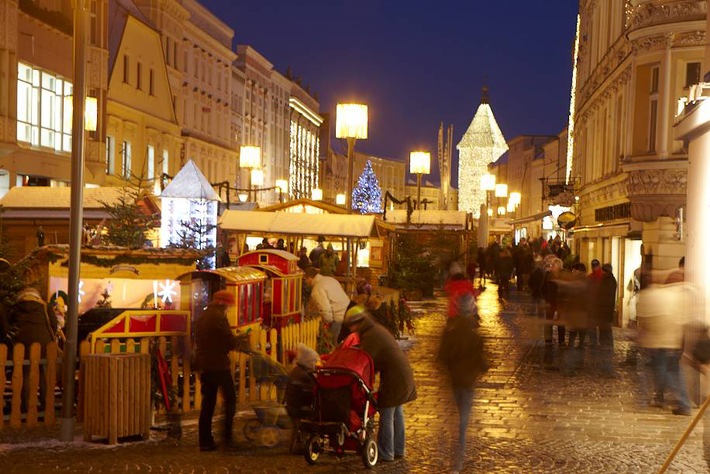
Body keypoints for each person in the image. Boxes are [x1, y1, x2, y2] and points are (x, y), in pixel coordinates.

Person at [342, 306, 416, 462]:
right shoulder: (375, 330)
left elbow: (365, 360)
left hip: (394, 379)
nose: (350, 329)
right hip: (402, 376)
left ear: (357, 323)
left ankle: (386, 452)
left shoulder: (371, 335)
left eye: (351, 326)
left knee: (387, 413)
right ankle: (398, 449)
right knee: (397, 413)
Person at [438, 281, 488, 473]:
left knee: (456, 415)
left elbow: (442, 357)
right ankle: (459, 453)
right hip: (468, 382)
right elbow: (482, 362)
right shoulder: (475, 333)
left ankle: (455, 450)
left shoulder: (449, 331)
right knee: (464, 419)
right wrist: (482, 367)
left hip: (453, 380)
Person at [193, 290, 249, 451]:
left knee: (208, 404)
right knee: (230, 399)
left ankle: (205, 441)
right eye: (229, 305)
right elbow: (226, 342)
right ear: (223, 304)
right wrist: (239, 340)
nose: (229, 308)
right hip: (218, 365)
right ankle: (227, 437)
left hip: (205, 364)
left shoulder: (204, 317)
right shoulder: (219, 318)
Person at [636, 280, 694, 415]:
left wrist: (644, 338)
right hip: (673, 343)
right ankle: (682, 403)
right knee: (675, 373)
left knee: (665, 373)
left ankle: (676, 401)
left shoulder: (653, 296)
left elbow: (648, 322)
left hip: (660, 344)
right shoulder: (676, 296)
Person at [10, 287, 57, 412]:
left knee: (24, 373)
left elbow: (11, 324)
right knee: (43, 373)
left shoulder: (17, 307)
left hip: (23, 342)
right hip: (43, 343)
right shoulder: (45, 306)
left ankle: (24, 406)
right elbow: (53, 324)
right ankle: (45, 406)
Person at [303, 267, 350, 352]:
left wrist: (326, 324)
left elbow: (325, 310)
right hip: (348, 312)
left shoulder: (317, 289)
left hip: (338, 318)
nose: (305, 283)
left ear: (309, 277)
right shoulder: (330, 279)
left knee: (333, 346)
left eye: (305, 280)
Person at [285, 343, 319, 454]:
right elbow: (310, 393)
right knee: (311, 421)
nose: (315, 364)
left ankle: (295, 445)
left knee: (297, 428)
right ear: (308, 362)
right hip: (299, 408)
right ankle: (300, 445)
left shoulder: (298, 371)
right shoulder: (304, 376)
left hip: (292, 406)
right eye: (314, 361)